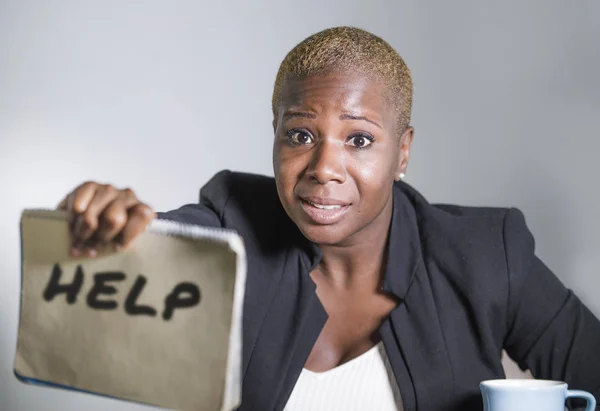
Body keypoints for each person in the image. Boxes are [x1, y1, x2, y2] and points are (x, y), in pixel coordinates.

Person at [57, 27, 600, 411]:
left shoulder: (485, 254)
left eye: (358, 140)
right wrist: (103, 232)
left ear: (402, 151)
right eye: (300, 135)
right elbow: (102, 294)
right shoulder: (228, 237)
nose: (323, 169)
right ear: (274, 133)